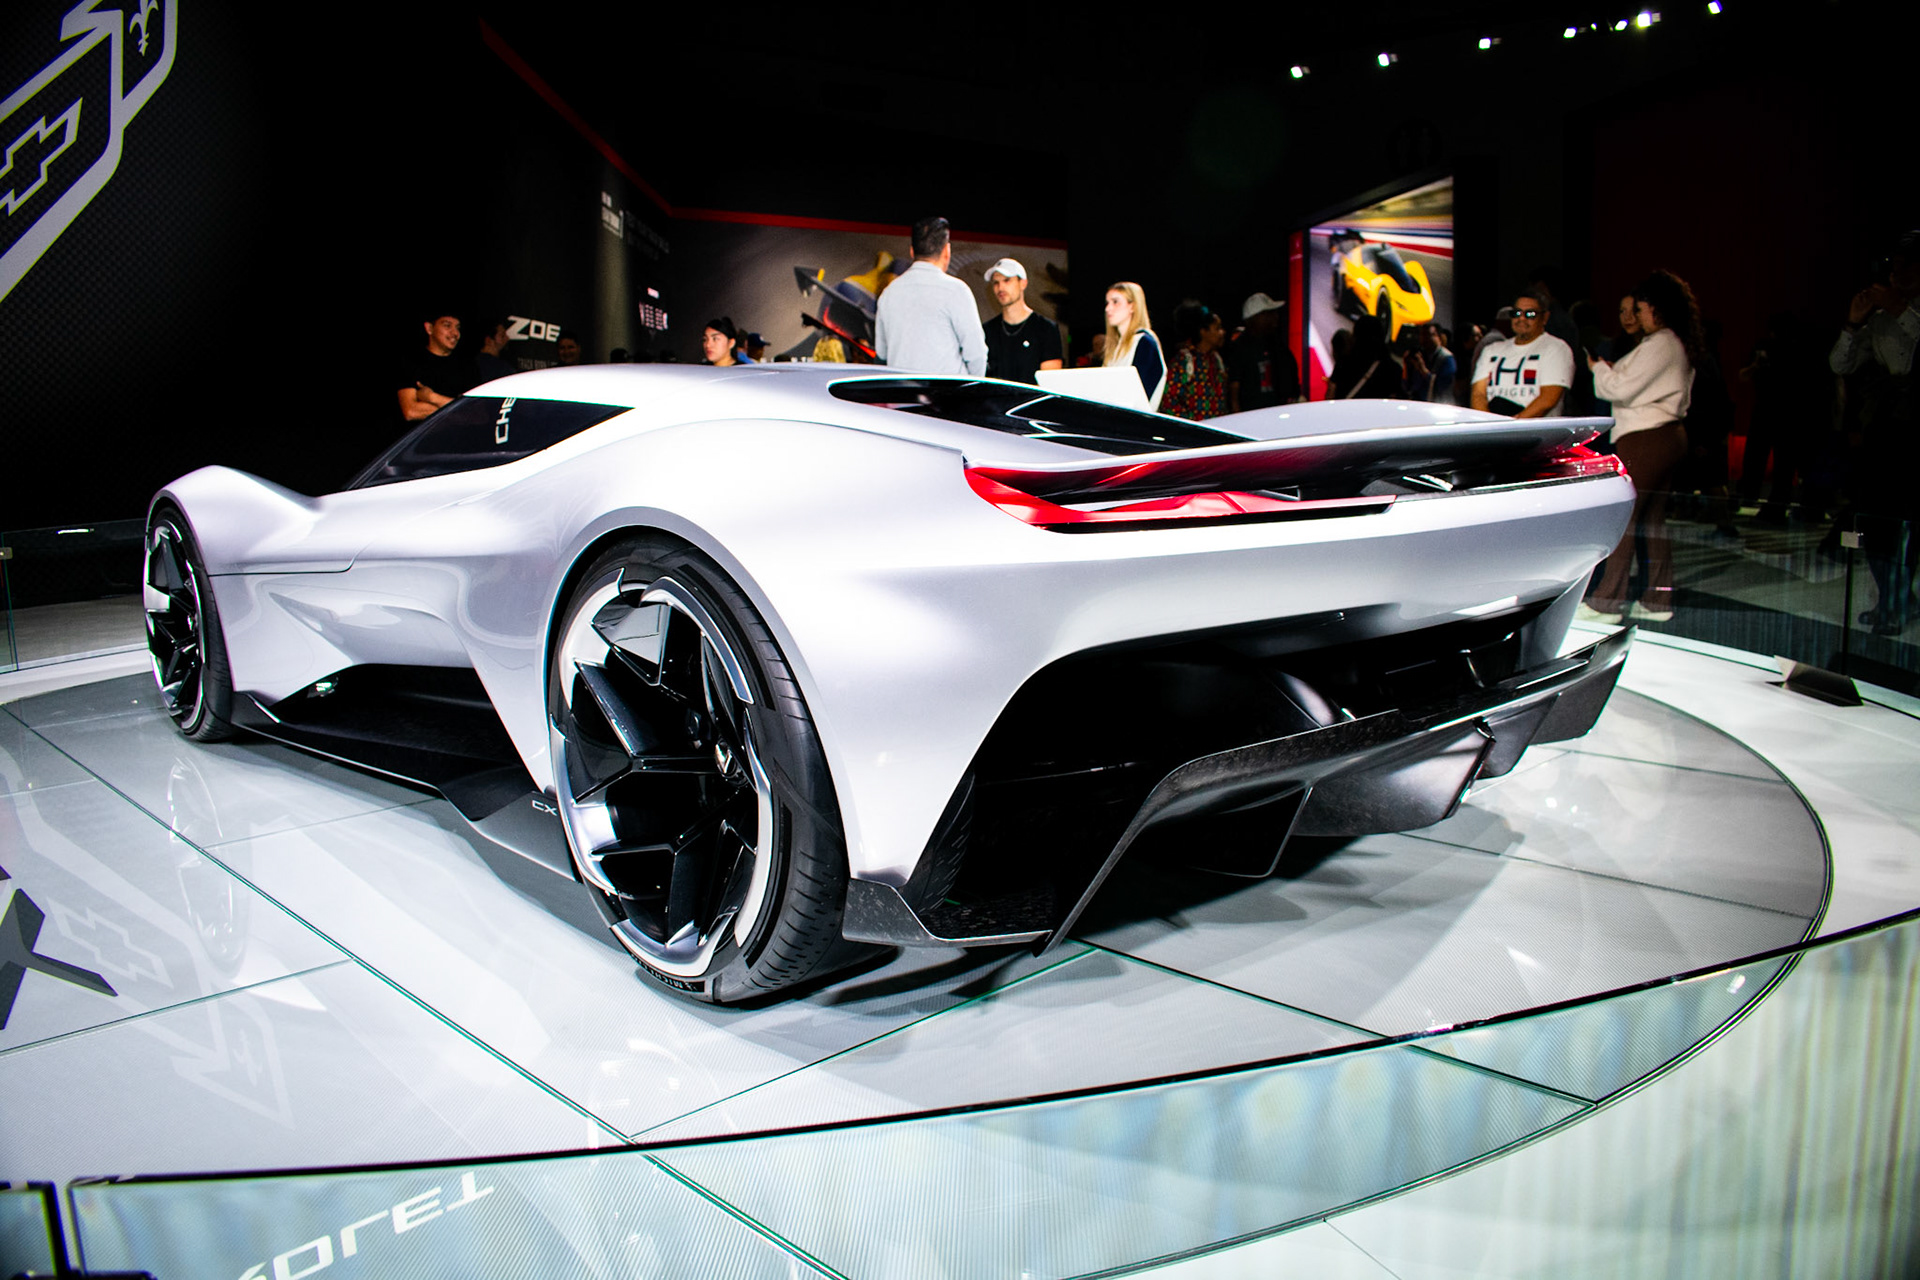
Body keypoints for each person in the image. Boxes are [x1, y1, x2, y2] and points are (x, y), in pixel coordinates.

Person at [1583, 268, 1701, 624]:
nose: (1636, 314)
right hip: (1664, 436)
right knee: (1652, 520)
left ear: (1656, 307)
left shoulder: (1661, 342)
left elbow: (1619, 389)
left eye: (1640, 307)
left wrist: (1598, 369)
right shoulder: (1672, 342)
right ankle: (1656, 601)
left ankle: (1607, 603)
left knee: (1627, 517)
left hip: (1647, 436)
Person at [1829, 230, 1920, 634]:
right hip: (1886, 428)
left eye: (1907, 265)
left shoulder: (1907, 312)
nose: (1898, 273)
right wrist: (1852, 324)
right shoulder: (1880, 319)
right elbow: (1840, 364)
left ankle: (1897, 602)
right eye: (1893, 266)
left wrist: (1900, 308)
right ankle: (1892, 599)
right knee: (1878, 520)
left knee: (1910, 523)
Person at [874, 215, 987, 375]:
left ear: (912, 251)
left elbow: (882, 355)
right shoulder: (956, 291)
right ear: (946, 251)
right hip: (947, 390)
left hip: (901, 389)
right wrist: (971, 387)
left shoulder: (888, 293)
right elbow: (976, 354)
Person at [1471, 292, 1574, 417]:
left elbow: (1548, 399)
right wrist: (1490, 424)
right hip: (1495, 425)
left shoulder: (1556, 348)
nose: (1522, 319)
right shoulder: (1491, 350)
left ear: (1545, 318)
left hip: (1536, 428)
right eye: (1516, 313)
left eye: (1530, 314)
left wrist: (1514, 425)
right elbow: (1478, 394)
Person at [981, 257, 1063, 383]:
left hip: (1032, 396)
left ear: (1023, 283)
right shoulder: (986, 331)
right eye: (996, 283)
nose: (1000, 287)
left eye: (1007, 280)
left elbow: (1050, 383)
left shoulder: (1046, 329)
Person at [1226, 292, 1299, 411]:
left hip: (1278, 414)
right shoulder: (1240, 348)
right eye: (1268, 313)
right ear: (1255, 317)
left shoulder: (1276, 345)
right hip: (1251, 416)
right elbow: (1234, 391)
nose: (1275, 317)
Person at [1101, 281, 1165, 409]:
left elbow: (1138, 396)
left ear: (1133, 306)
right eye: (1107, 303)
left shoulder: (1145, 342)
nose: (1108, 308)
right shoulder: (1115, 347)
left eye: (1115, 302)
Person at [1162, 303, 1230, 420]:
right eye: (1217, 328)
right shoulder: (1184, 361)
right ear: (1203, 331)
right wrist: (1191, 423)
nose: (1222, 332)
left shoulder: (1216, 360)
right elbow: (1169, 401)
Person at [397, 311, 468, 423]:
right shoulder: (411, 362)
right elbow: (411, 412)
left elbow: (478, 414)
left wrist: (432, 397)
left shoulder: (467, 365)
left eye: (457, 328)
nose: (455, 333)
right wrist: (458, 411)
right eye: (447, 326)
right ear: (429, 328)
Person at [1402, 323, 1456, 402]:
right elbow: (1408, 387)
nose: (1425, 339)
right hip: (1419, 402)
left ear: (1438, 337)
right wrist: (1407, 367)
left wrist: (1423, 370)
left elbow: (1442, 386)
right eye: (1422, 335)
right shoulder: (1420, 355)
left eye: (1428, 335)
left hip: (1439, 403)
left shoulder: (1446, 358)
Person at [471, 318, 515, 385]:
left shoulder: (472, 363)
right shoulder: (503, 368)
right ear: (488, 340)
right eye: (502, 336)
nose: (507, 338)